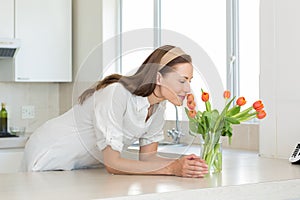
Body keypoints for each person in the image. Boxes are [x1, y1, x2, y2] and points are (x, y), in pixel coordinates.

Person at [21, 45, 208, 178]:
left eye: (189, 81)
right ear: (159, 77)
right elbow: (113, 163)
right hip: (49, 154)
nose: (188, 89)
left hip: (81, 165)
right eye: (182, 80)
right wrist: (172, 169)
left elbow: (147, 157)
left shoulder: (158, 107)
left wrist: (183, 163)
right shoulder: (115, 93)